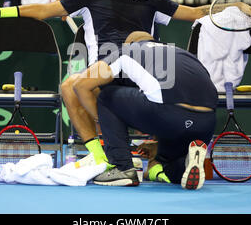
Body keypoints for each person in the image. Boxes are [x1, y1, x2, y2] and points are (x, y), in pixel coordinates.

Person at [0, 0, 251, 170]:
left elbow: (196, 12)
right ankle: (102, 156)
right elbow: (43, 11)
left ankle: (127, 152)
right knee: (69, 86)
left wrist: (236, 7)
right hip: (103, 74)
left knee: (80, 86)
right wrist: (0, 12)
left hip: (142, 78)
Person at [72, 31, 218, 188]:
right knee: (167, 162)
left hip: (169, 115)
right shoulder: (184, 54)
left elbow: (80, 85)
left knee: (106, 97)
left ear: (129, 44)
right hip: (206, 124)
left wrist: (103, 120)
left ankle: (123, 168)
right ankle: (184, 165)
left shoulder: (125, 51)